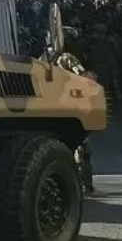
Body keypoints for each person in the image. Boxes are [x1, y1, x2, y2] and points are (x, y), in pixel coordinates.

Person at [50, 26, 97, 195]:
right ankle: (85, 186)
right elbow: (84, 78)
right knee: (82, 149)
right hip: (72, 107)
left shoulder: (44, 58)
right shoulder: (67, 58)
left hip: (53, 108)